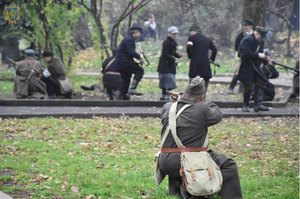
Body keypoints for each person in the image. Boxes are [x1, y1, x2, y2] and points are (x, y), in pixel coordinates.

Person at [157, 76, 243, 199]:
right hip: (186, 161)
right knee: (228, 165)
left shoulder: (167, 107)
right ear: (202, 97)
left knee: (199, 163)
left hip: (165, 161)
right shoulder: (203, 108)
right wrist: (201, 101)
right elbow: (217, 114)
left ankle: (189, 192)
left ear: (185, 92)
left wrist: (181, 100)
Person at [237, 26, 272, 112]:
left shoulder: (261, 42)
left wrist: (266, 61)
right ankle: (245, 104)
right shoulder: (248, 40)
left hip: (256, 66)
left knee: (261, 82)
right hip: (246, 66)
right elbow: (244, 53)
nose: (262, 39)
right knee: (248, 86)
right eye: (261, 37)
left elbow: (260, 54)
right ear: (256, 34)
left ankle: (258, 104)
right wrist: (258, 55)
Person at [186, 24, 217, 95]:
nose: (190, 33)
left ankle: (193, 97)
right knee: (205, 82)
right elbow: (214, 50)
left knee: (192, 82)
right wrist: (211, 59)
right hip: (205, 64)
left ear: (194, 31)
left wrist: (191, 56)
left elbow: (189, 48)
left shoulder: (191, 38)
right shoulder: (207, 39)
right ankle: (203, 97)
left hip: (195, 64)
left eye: (191, 31)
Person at [115, 25, 144, 100]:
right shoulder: (129, 40)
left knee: (126, 80)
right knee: (140, 70)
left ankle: (120, 96)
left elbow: (128, 52)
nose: (140, 35)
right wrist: (139, 57)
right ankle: (132, 88)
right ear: (136, 32)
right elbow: (131, 52)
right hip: (124, 62)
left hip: (121, 63)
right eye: (139, 33)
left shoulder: (127, 39)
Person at [157, 26, 184, 100]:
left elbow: (172, 53)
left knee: (169, 80)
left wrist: (178, 55)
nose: (175, 35)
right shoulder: (167, 42)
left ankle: (167, 95)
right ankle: (164, 95)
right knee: (166, 78)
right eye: (173, 34)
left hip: (170, 64)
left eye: (176, 34)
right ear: (169, 34)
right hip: (165, 64)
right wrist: (173, 59)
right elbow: (165, 53)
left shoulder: (172, 42)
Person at [228, 19, 254, 94]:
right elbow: (236, 45)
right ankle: (231, 88)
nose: (244, 27)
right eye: (244, 26)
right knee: (237, 72)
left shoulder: (254, 35)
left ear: (250, 26)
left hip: (250, 57)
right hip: (241, 56)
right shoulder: (241, 35)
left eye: (246, 26)